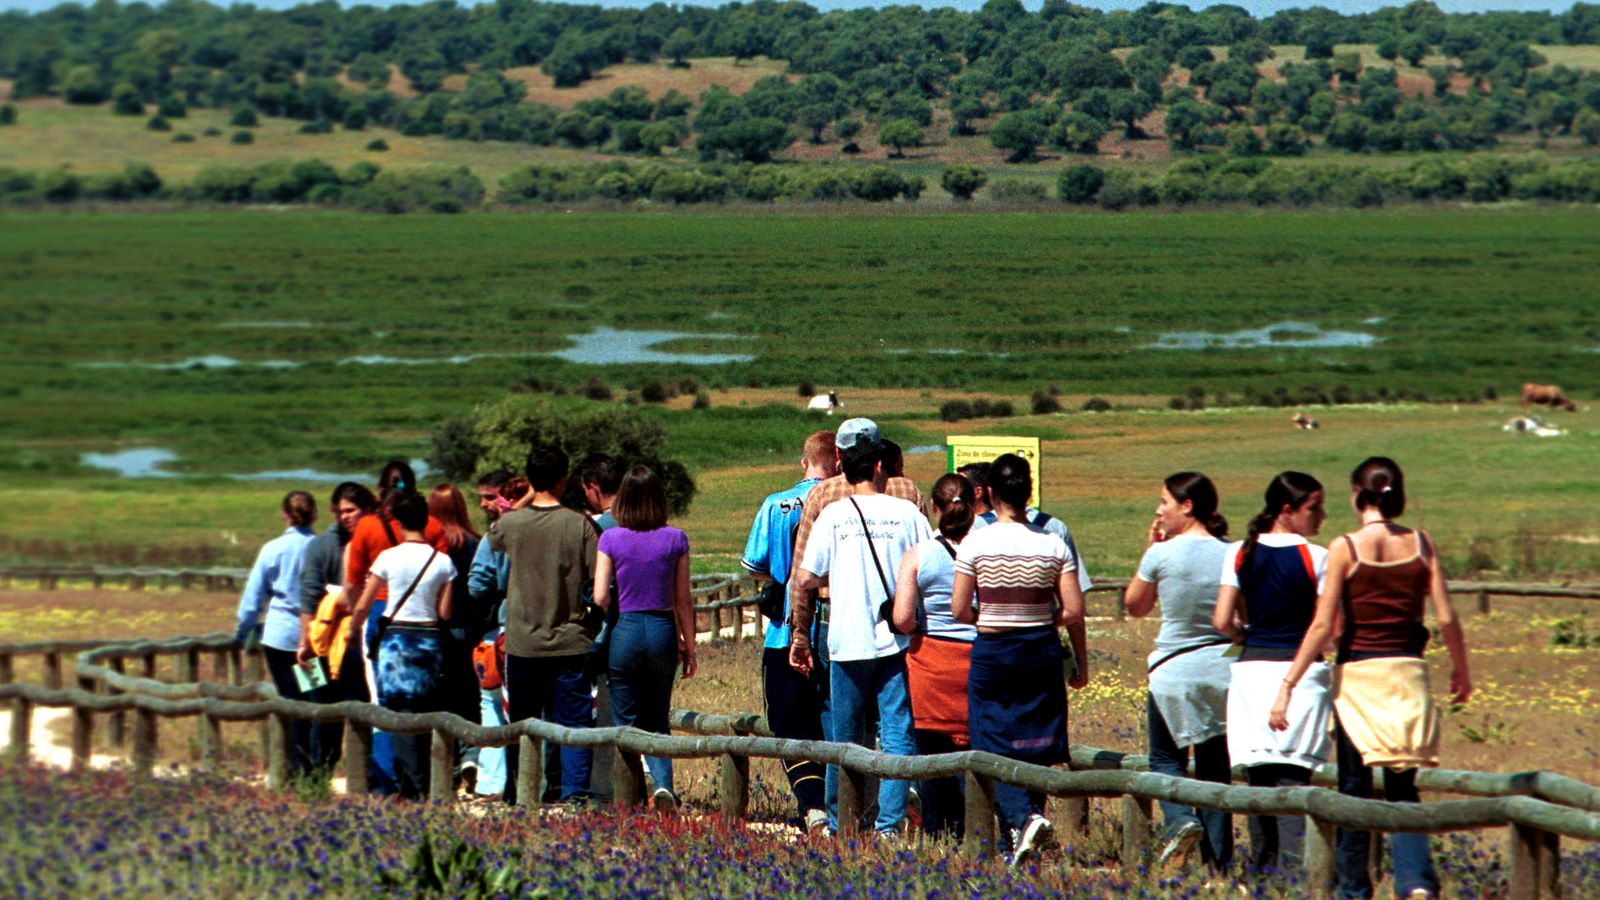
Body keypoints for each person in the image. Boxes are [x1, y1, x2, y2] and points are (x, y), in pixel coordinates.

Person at [1270, 458, 1471, 900]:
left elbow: (1324, 626)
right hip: (1409, 671)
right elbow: (1447, 617)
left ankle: (1353, 889)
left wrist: (1289, 682)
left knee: (1354, 789)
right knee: (1403, 785)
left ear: (1356, 495)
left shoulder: (1347, 547)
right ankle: (1415, 880)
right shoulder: (1422, 544)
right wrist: (1461, 668)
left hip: (1359, 674)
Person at [791, 418, 928, 838]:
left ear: (839, 460)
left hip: (846, 637)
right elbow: (931, 565)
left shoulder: (832, 512)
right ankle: (889, 825)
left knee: (845, 739)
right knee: (897, 732)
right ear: (881, 462)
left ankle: (841, 821)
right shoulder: (907, 510)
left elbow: (806, 576)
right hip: (897, 639)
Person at [951, 454, 1087, 866]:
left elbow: (959, 609)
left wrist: (992, 617)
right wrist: (1039, 617)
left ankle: (1021, 820)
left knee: (991, 737)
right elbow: (1075, 609)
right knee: (1036, 739)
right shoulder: (1052, 543)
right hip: (1041, 649)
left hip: (995, 650)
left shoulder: (977, 541)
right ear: (1029, 492)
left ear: (989, 494)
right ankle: (1025, 828)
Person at [1212, 471, 1333, 875]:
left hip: (1250, 672)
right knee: (1294, 779)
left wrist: (1247, 634)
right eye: (1314, 508)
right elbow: (1325, 627)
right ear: (1288, 510)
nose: (1322, 516)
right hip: (1299, 673)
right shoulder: (1316, 556)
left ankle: (1263, 871)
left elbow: (1222, 620)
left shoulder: (1239, 553)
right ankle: (1297, 872)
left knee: (1258, 778)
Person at [1123, 472, 1234, 872]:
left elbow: (1135, 605)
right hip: (1223, 671)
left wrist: (1149, 550)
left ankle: (1180, 820)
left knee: (1165, 760)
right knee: (1215, 769)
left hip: (1174, 670)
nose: (1158, 509)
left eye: (1164, 501)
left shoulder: (1162, 554)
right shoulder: (1232, 552)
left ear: (1187, 507)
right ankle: (1219, 864)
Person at [489, 444, 601, 804]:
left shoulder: (511, 525)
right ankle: (574, 794)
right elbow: (597, 582)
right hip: (570, 640)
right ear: (564, 479)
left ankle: (519, 791)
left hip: (522, 641)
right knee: (574, 723)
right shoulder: (579, 525)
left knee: (522, 723)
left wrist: (523, 499)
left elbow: (492, 536)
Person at [740, 429, 837, 834]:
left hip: (784, 631)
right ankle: (843, 804)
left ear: (804, 461)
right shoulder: (846, 502)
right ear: (839, 461)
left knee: (787, 720)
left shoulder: (775, 504)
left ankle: (812, 804)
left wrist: (783, 574)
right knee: (835, 721)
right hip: (834, 629)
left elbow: (753, 565)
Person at [593, 465, 696, 810]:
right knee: (657, 717)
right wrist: (690, 647)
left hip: (626, 629)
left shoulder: (611, 539)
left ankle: (630, 793)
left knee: (625, 718)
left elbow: (600, 597)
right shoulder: (675, 539)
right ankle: (663, 785)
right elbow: (683, 599)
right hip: (663, 631)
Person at [344, 460, 450, 795]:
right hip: (429, 630)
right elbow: (443, 606)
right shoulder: (437, 534)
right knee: (425, 706)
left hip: (387, 621)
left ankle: (391, 781)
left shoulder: (369, 529)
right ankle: (425, 778)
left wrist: (352, 626)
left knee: (386, 702)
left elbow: (354, 583)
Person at [891, 472, 978, 840]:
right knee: (978, 750)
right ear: (973, 506)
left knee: (931, 754)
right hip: (977, 661)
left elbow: (903, 618)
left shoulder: (919, 555)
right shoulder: (984, 550)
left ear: (936, 508)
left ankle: (938, 829)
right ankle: (978, 828)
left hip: (931, 664)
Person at [295, 481, 377, 775]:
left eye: (351, 510)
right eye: (340, 511)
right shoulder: (319, 545)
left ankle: (364, 777)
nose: (345, 517)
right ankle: (317, 778)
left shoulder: (375, 541)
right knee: (319, 712)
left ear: (367, 510)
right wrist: (303, 643)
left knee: (361, 710)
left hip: (356, 647)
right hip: (317, 644)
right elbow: (307, 596)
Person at [235, 490, 319, 777]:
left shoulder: (272, 549)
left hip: (280, 637)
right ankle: (312, 765)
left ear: (284, 515)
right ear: (314, 515)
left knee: (289, 700)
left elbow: (252, 599)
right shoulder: (320, 547)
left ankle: (293, 768)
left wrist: (242, 632)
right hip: (313, 638)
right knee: (312, 697)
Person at [962, 460, 1095, 597]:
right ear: (1030, 490)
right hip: (1044, 616)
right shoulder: (1055, 528)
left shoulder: (974, 528)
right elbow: (1075, 595)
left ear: (990, 492)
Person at [429, 483, 484, 792]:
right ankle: (471, 754)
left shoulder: (435, 545)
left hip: (441, 628)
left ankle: (448, 766)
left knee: (443, 698)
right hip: (471, 628)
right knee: (469, 696)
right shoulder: (475, 542)